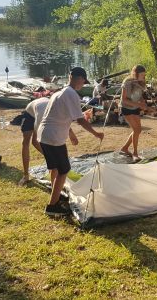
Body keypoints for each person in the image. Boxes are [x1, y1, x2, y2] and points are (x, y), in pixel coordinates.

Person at [38, 67, 104, 216]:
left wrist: (71, 134)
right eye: (83, 81)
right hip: (54, 138)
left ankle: (56, 197)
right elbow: (80, 120)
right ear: (78, 78)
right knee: (64, 170)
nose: (83, 84)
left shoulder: (59, 92)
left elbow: (60, 115)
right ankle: (52, 207)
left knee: (55, 169)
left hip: (44, 136)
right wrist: (96, 133)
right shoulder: (71, 94)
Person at [18, 97, 79, 186]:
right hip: (30, 113)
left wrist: (72, 134)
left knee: (51, 150)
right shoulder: (41, 118)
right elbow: (36, 141)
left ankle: (52, 161)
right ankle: (26, 175)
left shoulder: (60, 110)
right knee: (27, 142)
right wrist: (52, 159)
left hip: (44, 106)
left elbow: (64, 122)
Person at [119, 65, 147, 162]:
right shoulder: (127, 82)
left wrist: (142, 101)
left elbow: (139, 95)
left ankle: (124, 148)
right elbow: (124, 99)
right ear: (136, 74)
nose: (143, 77)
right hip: (126, 108)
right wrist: (139, 105)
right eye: (142, 75)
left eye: (144, 75)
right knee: (136, 130)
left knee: (138, 130)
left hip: (135, 108)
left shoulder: (141, 82)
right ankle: (135, 153)